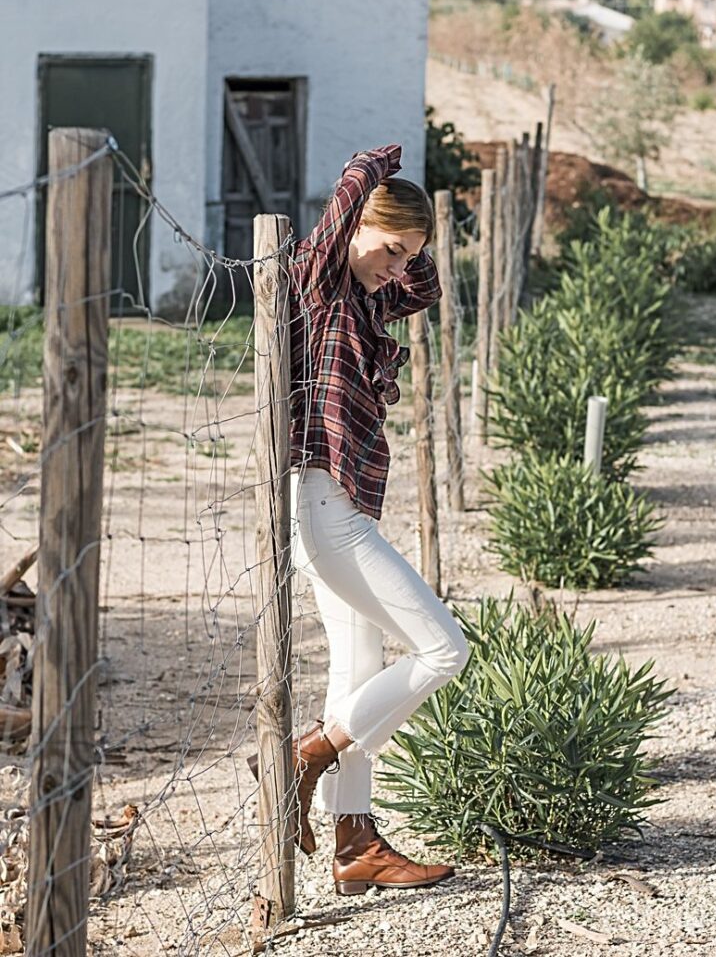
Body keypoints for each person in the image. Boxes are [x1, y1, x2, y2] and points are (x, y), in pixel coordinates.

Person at [250, 145, 468, 896]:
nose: (396, 264)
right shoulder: (317, 281)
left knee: (359, 671)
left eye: (405, 253)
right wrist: (372, 166)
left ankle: (355, 847)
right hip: (326, 508)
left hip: (332, 507)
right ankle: (309, 755)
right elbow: (344, 213)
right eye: (389, 247)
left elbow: (427, 287)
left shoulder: (369, 298)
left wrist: (412, 232)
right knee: (445, 651)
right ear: (354, 227)